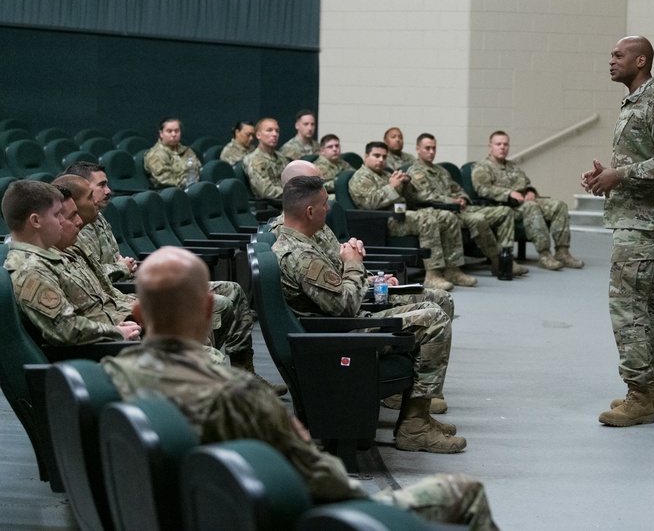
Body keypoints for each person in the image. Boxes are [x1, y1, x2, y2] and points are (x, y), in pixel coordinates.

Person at [101, 247, 499, 528]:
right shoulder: (236, 395)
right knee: (463, 491)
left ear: (136, 312)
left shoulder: (110, 377)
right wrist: (299, 440)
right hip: (296, 516)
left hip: (189, 512)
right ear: (210, 309)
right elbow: (324, 484)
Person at [274, 176, 466, 453]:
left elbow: (336, 291)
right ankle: (414, 426)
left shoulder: (304, 242)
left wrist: (369, 278)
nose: (329, 209)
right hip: (336, 335)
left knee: (435, 301)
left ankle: (418, 415)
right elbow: (346, 306)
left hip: (336, 323)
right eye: (325, 204)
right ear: (310, 212)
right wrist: (354, 264)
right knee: (433, 318)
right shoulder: (300, 254)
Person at [53, 172, 284, 393]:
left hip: (124, 295)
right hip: (125, 298)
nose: (105, 192)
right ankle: (199, 375)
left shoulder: (96, 221)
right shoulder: (68, 236)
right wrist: (121, 269)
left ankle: (238, 370)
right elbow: (95, 294)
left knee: (229, 292)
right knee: (208, 304)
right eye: (98, 187)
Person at [582, 35, 654, 427]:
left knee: (626, 306)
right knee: (641, 305)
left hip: (644, 222)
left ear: (640, 60)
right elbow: (638, 160)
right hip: (630, 218)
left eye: (618, 55)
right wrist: (604, 177)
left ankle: (639, 395)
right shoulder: (634, 101)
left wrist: (619, 174)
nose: (611, 60)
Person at [2, 180, 142, 344]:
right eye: (56, 215)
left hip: (113, 331)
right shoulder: (30, 270)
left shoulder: (48, 256)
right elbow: (65, 328)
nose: (62, 221)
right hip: (98, 352)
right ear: (36, 221)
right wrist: (117, 332)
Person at [349, 142, 475, 290]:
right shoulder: (360, 178)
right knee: (427, 220)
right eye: (376, 156)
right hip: (382, 221)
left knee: (448, 217)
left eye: (384, 156)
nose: (381, 160)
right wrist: (392, 186)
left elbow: (411, 198)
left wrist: (406, 183)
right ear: (366, 157)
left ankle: (453, 269)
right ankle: (432, 274)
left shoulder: (387, 174)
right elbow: (369, 203)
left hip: (403, 215)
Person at [406, 133, 527, 278]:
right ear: (418, 149)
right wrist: (451, 201)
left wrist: (462, 198)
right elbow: (425, 196)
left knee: (504, 211)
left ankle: (507, 257)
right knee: (477, 219)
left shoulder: (441, 171)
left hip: (460, 208)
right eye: (427, 148)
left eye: (434, 148)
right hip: (441, 212)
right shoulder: (415, 172)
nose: (431, 152)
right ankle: (498, 261)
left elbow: (458, 189)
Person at [471, 131, 584, 271]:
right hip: (503, 207)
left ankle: (562, 252)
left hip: (524, 201)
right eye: (498, 144)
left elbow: (526, 183)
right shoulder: (481, 167)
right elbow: (482, 189)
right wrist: (508, 193)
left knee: (559, 206)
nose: (502, 147)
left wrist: (531, 191)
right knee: (531, 207)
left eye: (505, 144)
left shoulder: (512, 166)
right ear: (490, 147)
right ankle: (545, 255)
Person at [64, 161, 137, 281]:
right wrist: (121, 267)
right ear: (82, 187)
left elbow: (114, 256)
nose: (108, 191)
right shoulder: (71, 226)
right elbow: (89, 275)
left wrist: (125, 264)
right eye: (101, 185)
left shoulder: (97, 216)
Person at [144, 117, 202, 188]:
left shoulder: (187, 151)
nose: (174, 134)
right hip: (170, 194)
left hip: (193, 188)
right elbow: (165, 179)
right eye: (169, 131)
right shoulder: (155, 154)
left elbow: (197, 169)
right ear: (161, 133)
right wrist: (188, 184)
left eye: (177, 131)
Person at [243, 117, 288, 199]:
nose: (275, 134)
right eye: (269, 130)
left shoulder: (282, 158)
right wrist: (293, 195)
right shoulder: (253, 159)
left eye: (277, 131)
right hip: (271, 205)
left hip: (288, 201)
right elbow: (266, 191)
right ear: (258, 135)